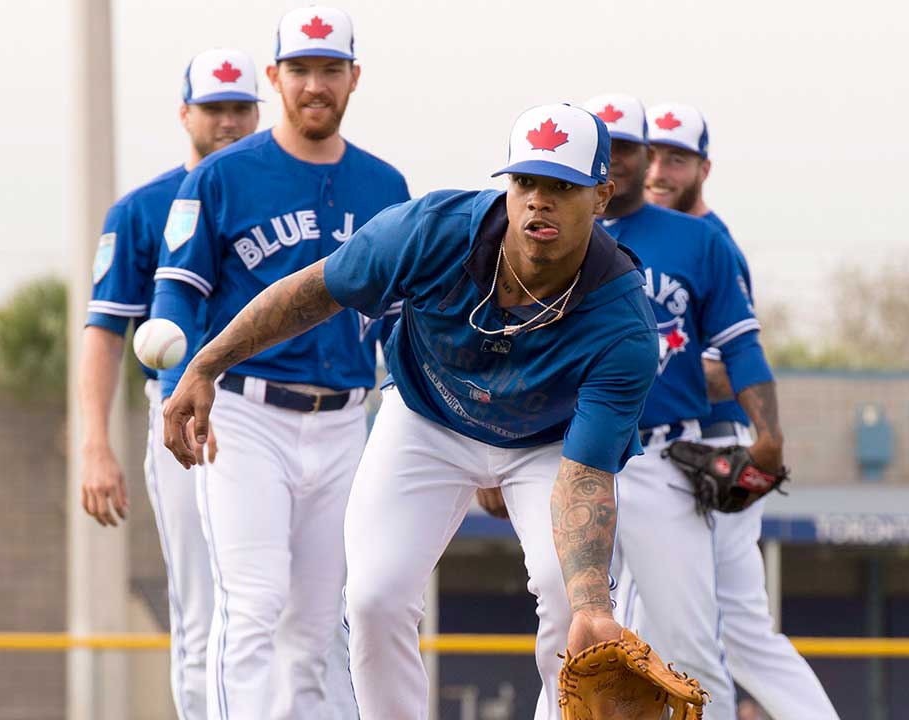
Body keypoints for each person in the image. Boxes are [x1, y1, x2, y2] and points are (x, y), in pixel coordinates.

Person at [163, 103, 659, 720]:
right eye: (526, 182)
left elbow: (585, 477)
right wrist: (209, 363)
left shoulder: (624, 324)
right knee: (375, 598)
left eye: (562, 187)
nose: (538, 201)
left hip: (544, 443)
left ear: (602, 197)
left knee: (571, 605)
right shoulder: (433, 230)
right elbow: (314, 292)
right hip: (427, 417)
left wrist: (592, 607)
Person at [149, 7, 408, 718]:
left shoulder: (386, 188)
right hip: (243, 415)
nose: (315, 85)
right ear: (276, 77)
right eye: (300, 70)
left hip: (345, 421)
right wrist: (179, 385)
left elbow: (400, 325)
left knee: (319, 624)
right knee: (253, 603)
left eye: (330, 69)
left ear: (354, 78)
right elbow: (177, 297)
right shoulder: (222, 177)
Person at [641, 100, 839, 719]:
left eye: (676, 158)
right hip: (675, 448)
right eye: (650, 155)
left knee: (722, 630)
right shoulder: (651, 237)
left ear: (703, 167)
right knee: (693, 625)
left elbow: (738, 366)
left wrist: (658, 376)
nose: (659, 171)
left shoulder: (711, 241)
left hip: (711, 448)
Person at [79, 47, 260, 720]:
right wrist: (96, 444)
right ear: (185, 114)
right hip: (184, 419)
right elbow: (103, 332)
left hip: (280, 413)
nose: (229, 122)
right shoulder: (142, 211)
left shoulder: (277, 197)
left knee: (300, 607)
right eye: (214, 109)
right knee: (203, 608)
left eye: (241, 108)